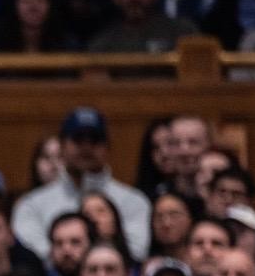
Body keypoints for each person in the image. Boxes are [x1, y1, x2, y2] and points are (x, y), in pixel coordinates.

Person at [12, 107, 153, 262]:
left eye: (94, 140)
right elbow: (34, 256)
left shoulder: (134, 201)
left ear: (107, 147)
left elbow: (136, 252)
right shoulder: (32, 205)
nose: (86, 147)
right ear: (62, 146)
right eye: (78, 139)